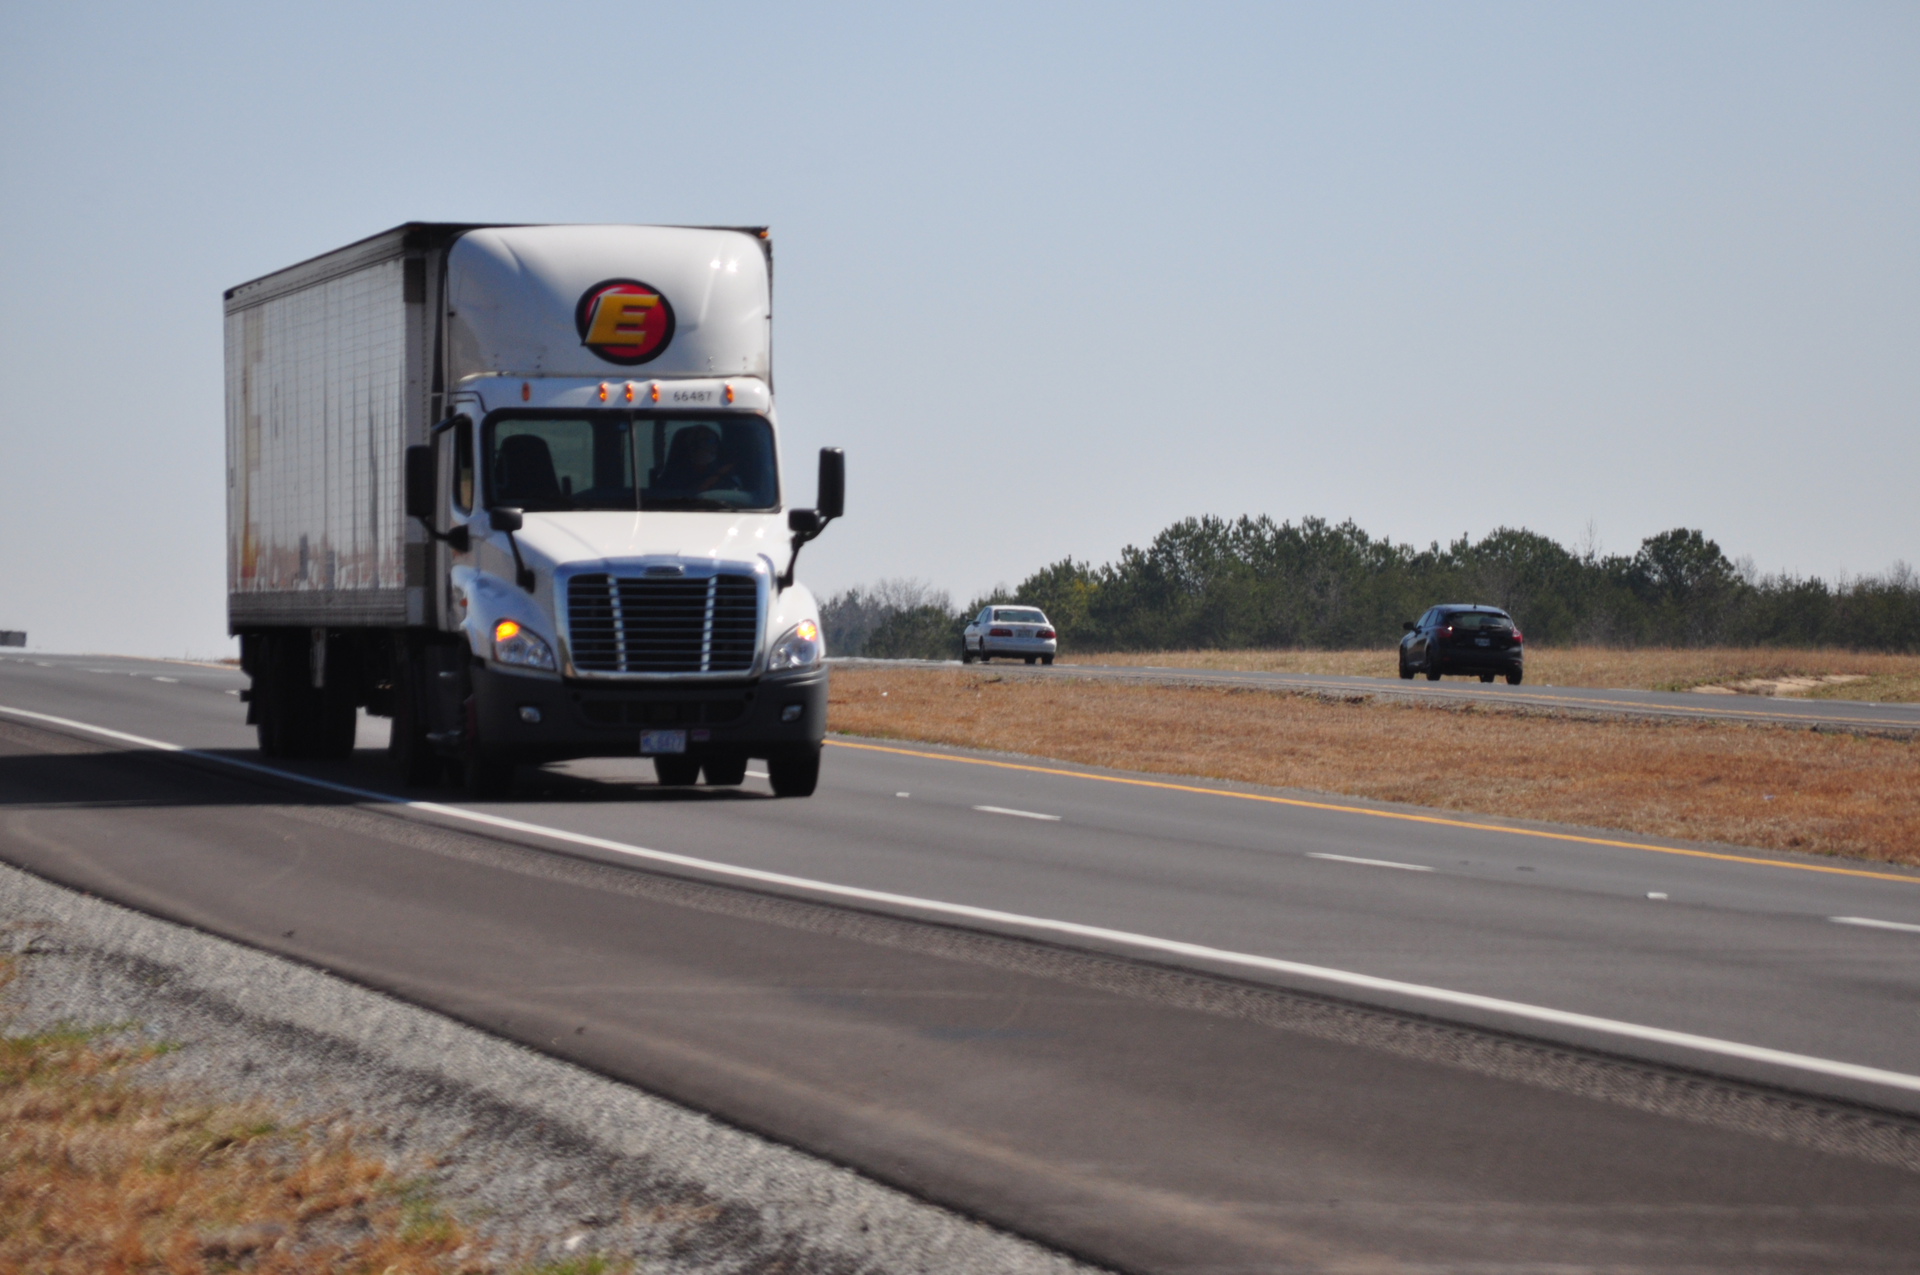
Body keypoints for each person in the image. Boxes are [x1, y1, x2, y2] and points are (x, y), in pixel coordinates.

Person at [658, 425, 735, 493]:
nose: (714, 446)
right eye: (695, 440)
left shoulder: (727, 472)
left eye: (712, 440)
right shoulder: (672, 476)